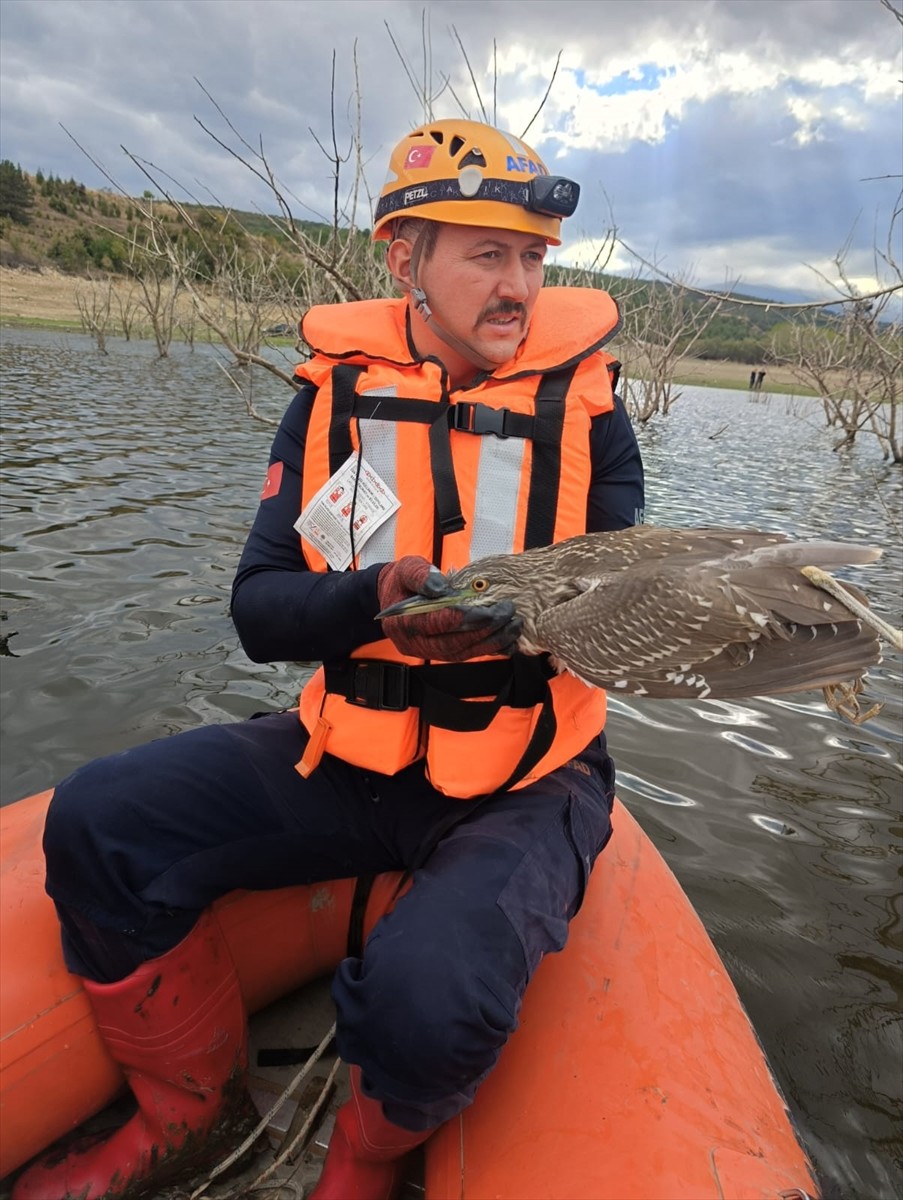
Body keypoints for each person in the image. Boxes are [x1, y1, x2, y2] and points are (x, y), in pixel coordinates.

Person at [12, 119, 644, 1200]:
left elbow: (624, 610)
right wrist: (372, 600)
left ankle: (356, 1165)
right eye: (487, 254)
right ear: (403, 259)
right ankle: (189, 1115)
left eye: (533, 259)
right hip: (350, 755)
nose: (519, 288)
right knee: (98, 821)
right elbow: (260, 611)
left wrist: (524, 623)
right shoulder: (328, 405)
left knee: (432, 992)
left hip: (526, 780)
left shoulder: (591, 414)